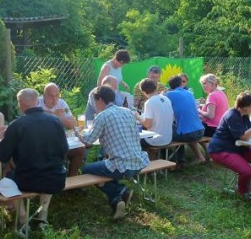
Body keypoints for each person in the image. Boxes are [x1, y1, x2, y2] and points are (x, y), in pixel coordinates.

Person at [0, 88, 68, 227]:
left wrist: (1, 141)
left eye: (18, 103)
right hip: (56, 178)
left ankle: (22, 216)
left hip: (27, 180)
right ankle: (43, 215)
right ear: (37, 102)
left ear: (21, 103)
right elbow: (65, 149)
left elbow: (2, 155)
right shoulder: (55, 121)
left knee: (7, 178)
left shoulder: (17, 125)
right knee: (48, 171)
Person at [76, 86, 149, 220]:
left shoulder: (102, 116)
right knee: (105, 164)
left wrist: (77, 132)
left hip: (121, 166)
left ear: (100, 100)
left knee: (87, 169)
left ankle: (119, 192)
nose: (94, 105)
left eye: (94, 102)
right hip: (139, 161)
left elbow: (88, 141)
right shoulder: (127, 112)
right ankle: (119, 196)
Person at [208, 92, 251, 201]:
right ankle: (242, 193)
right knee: (246, 171)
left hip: (237, 147)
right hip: (221, 150)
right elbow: (244, 137)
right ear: (245, 106)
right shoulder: (232, 116)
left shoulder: (244, 115)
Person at [38, 83, 83, 176]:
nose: (54, 99)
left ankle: (72, 181)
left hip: (60, 142)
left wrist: (59, 118)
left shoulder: (62, 103)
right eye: (51, 96)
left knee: (80, 150)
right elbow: (36, 117)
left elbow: (73, 124)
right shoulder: (37, 102)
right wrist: (54, 115)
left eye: (57, 95)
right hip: (43, 144)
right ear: (44, 95)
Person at [165, 75, 206, 165]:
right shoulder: (189, 93)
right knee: (185, 129)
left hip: (189, 134)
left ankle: (175, 162)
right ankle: (200, 157)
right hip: (200, 130)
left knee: (163, 132)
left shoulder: (168, 95)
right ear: (181, 84)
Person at [137, 79, 174, 158]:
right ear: (155, 87)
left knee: (134, 139)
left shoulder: (149, 102)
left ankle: (147, 163)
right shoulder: (167, 99)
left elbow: (147, 125)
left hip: (155, 140)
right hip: (168, 138)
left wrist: (138, 116)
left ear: (143, 91)